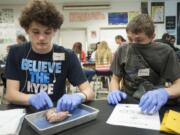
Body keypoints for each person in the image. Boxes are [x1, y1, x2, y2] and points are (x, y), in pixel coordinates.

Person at [5, 0, 94, 112]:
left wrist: (79, 96)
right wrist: (30, 98)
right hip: (23, 111)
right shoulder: (16, 52)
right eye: (36, 32)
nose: (41, 38)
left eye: (47, 32)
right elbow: (10, 94)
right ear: (27, 30)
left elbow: (89, 91)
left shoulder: (67, 56)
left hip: (56, 112)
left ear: (54, 31)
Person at [107, 14, 180, 114]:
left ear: (153, 37)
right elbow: (115, 78)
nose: (132, 43)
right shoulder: (122, 50)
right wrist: (114, 90)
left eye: (138, 40)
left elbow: (178, 84)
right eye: (129, 38)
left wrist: (165, 93)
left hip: (155, 104)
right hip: (128, 104)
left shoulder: (166, 52)